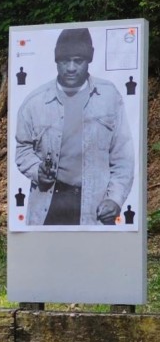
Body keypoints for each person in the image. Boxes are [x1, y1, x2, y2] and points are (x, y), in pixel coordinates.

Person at [15, 28, 134, 226]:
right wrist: (37, 171)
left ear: (89, 60)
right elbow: (23, 149)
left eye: (78, 60)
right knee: (48, 256)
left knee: (94, 257)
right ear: (56, 61)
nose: (71, 67)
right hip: (49, 202)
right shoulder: (34, 103)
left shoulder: (109, 97)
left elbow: (123, 155)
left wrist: (115, 198)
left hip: (95, 204)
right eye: (64, 61)